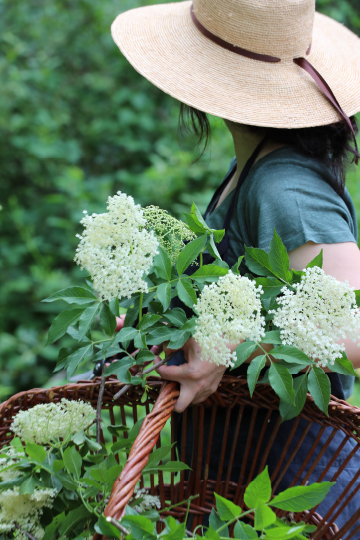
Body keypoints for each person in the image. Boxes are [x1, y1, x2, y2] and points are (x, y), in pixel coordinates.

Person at [111, 0, 360, 533]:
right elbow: (247, 290)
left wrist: (229, 342)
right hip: (247, 488)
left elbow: (352, 334)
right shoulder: (255, 162)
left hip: (296, 502)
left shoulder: (286, 192)